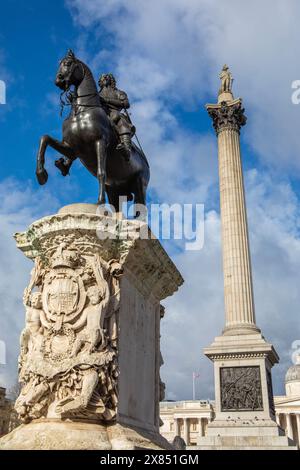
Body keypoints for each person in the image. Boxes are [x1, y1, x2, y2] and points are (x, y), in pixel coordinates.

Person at [98, 73, 135, 161]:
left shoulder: (119, 93)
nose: (102, 80)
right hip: (101, 114)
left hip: (115, 113)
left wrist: (107, 100)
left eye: (104, 78)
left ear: (110, 80)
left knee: (121, 121)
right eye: (101, 79)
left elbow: (126, 104)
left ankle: (127, 149)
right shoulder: (97, 94)